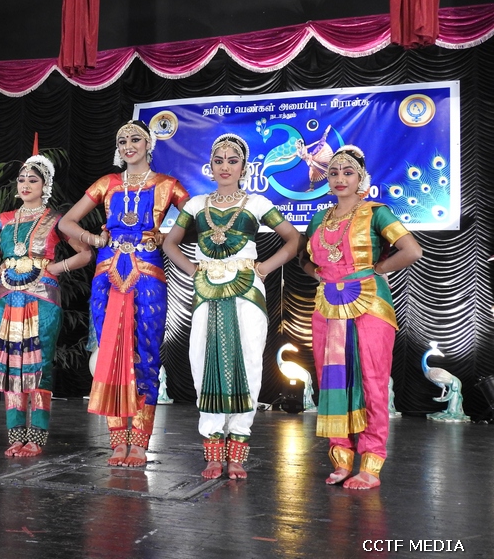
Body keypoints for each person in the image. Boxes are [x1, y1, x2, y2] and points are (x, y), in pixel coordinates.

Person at [163, 133, 303, 479]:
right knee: (202, 358)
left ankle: (238, 448)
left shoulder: (257, 203)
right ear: (210, 167)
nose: (225, 166)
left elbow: (293, 239)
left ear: (244, 167)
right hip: (206, 287)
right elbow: (169, 244)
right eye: (219, 160)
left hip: (247, 289)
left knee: (249, 359)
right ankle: (213, 450)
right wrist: (194, 270)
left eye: (232, 160)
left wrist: (265, 268)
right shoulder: (196, 205)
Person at [59, 119, 189, 467]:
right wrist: (93, 239)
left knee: (146, 352)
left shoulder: (167, 185)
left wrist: (166, 236)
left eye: (135, 139)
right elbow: (66, 222)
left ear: (149, 144)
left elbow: (196, 219)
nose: (128, 146)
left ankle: (140, 442)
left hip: (148, 275)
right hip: (108, 275)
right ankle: (118, 441)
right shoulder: (107, 184)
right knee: (111, 353)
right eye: (122, 141)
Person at [300, 145, 422, 489]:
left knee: (371, 379)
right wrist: (319, 274)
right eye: (333, 172)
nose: (340, 178)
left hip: (370, 304)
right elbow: (303, 260)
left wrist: (378, 269)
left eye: (348, 172)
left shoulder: (377, 213)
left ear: (361, 178)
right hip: (327, 307)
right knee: (331, 379)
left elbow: (412, 250)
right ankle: (341, 457)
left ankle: (370, 464)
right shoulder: (318, 219)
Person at [0, 155, 92, 457]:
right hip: (8, 298)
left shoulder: (56, 219)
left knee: (38, 365)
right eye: (21, 180)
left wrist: (56, 268)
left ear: (45, 185)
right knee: (11, 364)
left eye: (32, 180)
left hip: (42, 298)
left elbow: (85, 253)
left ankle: (36, 435)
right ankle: (15, 435)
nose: (25, 185)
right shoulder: (4, 219)